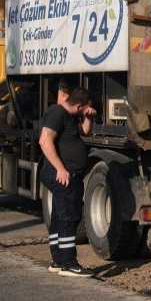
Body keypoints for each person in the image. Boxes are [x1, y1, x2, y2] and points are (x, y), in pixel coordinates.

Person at [38, 83, 97, 277]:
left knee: (58, 216)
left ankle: (58, 260)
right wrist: (61, 169)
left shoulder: (71, 116)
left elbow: (84, 132)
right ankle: (69, 263)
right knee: (67, 216)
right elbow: (44, 141)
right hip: (63, 174)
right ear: (79, 105)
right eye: (86, 107)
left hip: (68, 174)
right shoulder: (57, 113)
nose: (88, 110)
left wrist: (88, 118)